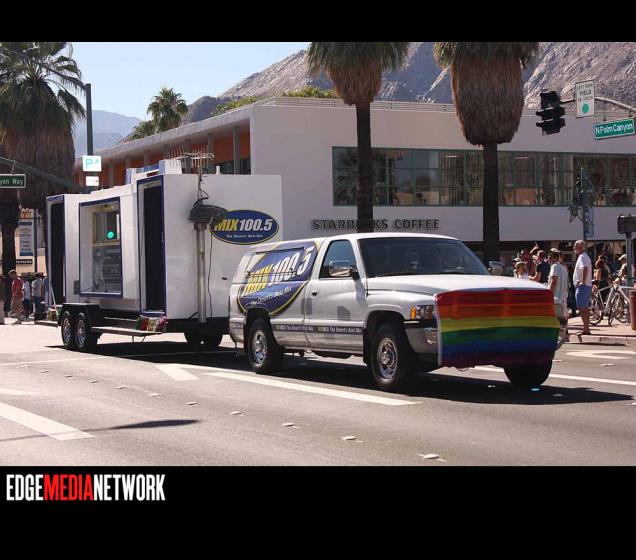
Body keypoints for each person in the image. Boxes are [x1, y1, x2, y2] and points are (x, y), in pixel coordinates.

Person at [573, 240, 593, 335]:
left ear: (580, 247)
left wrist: (583, 281)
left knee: (582, 308)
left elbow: (585, 268)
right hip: (586, 285)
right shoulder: (585, 256)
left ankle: (586, 328)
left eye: (575, 246)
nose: (574, 248)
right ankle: (586, 328)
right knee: (584, 307)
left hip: (583, 286)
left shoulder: (582, 257)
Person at [548, 249, 568, 332]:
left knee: (555, 317)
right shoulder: (564, 268)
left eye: (550, 258)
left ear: (555, 258)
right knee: (562, 316)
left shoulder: (554, 266)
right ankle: (564, 331)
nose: (549, 260)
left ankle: (557, 332)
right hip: (563, 297)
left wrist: (549, 293)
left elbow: (554, 280)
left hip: (555, 296)